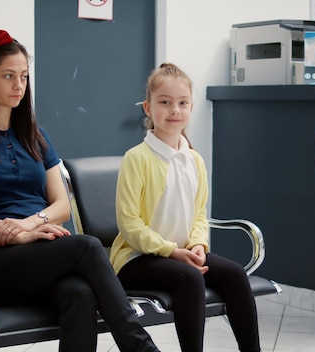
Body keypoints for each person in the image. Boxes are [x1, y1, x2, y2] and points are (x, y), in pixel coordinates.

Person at [0, 29, 160, 352]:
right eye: (8, 76)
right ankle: (142, 348)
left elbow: (61, 206)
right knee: (86, 247)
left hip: (36, 256)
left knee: (80, 295)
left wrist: (30, 225)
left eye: (24, 77)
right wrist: (17, 236)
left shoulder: (36, 136)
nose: (19, 85)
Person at [109, 62, 262, 352]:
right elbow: (128, 224)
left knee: (234, 274)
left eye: (182, 103)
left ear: (191, 107)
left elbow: (200, 215)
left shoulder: (194, 160)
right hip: (136, 259)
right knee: (190, 277)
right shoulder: (136, 158)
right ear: (148, 108)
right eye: (164, 103)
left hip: (182, 254)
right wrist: (171, 251)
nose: (174, 110)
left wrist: (198, 245)